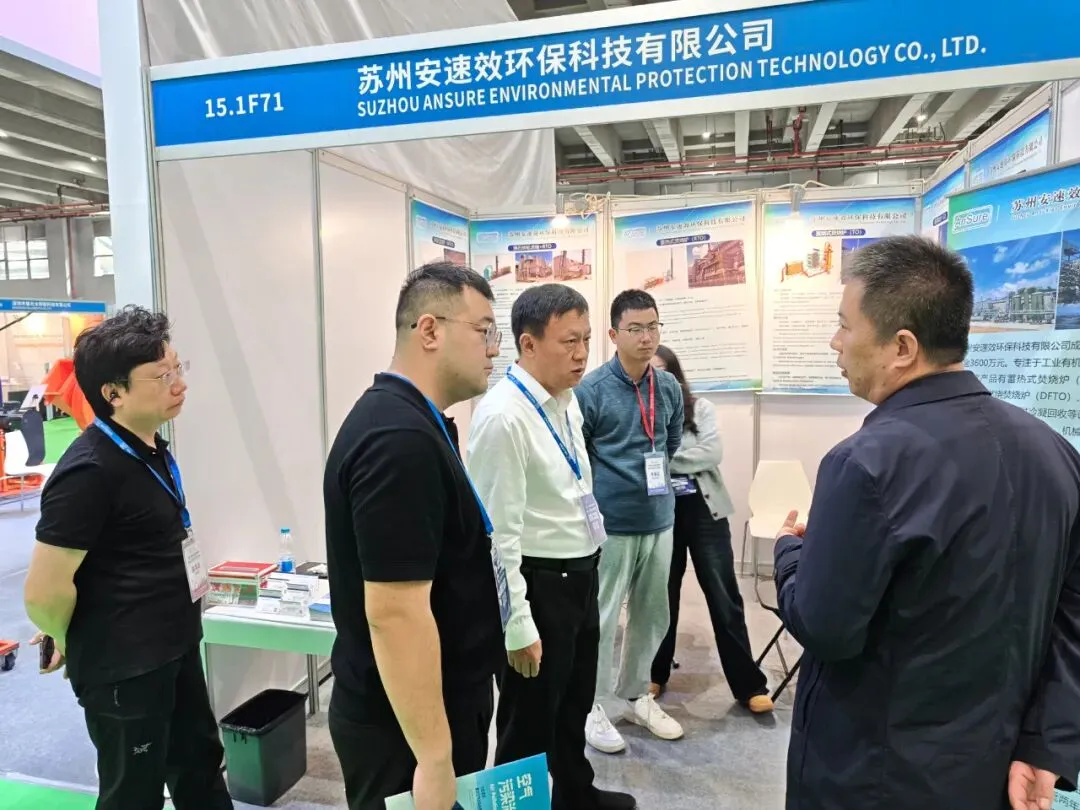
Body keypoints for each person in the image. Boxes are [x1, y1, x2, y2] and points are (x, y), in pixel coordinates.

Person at [772, 235, 1080, 810]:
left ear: (902, 347)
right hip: (995, 771)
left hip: (876, 775)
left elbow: (826, 627)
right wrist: (1046, 743)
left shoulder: (866, 463)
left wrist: (791, 555)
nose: (835, 342)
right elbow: (1072, 613)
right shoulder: (1054, 451)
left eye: (844, 325)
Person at [22, 306, 232, 810]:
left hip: (174, 648)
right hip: (125, 670)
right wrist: (68, 635)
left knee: (200, 770)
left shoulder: (149, 448)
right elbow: (43, 592)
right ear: (113, 393)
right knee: (133, 794)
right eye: (162, 376)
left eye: (178, 367)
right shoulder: (88, 472)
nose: (179, 383)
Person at [324, 261, 507, 810]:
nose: (493, 350)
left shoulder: (415, 422)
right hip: (404, 730)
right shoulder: (398, 440)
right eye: (484, 331)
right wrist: (433, 756)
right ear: (429, 330)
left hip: (433, 706)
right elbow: (395, 612)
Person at [467, 284, 636, 810]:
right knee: (529, 721)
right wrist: (517, 624)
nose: (582, 353)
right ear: (529, 343)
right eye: (569, 341)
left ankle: (574, 794)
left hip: (579, 574)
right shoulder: (504, 417)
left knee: (573, 702)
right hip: (540, 585)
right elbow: (497, 536)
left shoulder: (564, 399)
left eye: (586, 339)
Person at [576, 289, 685, 754]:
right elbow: (579, 454)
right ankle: (592, 704)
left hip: (660, 519)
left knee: (652, 613)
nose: (646, 337)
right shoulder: (592, 390)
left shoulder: (669, 387)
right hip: (612, 523)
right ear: (613, 334)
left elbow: (671, 442)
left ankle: (637, 694)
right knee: (601, 617)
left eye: (653, 326)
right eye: (636, 328)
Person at [647, 345, 773, 714]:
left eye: (662, 370)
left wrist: (664, 460)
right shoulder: (640, 412)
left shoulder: (700, 408)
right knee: (661, 596)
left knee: (723, 595)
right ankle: (654, 673)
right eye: (649, 371)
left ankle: (749, 685)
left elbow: (711, 453)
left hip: (705, 509)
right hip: (662, 512)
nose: (656, 377)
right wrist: (672, 460)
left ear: (675, 373)